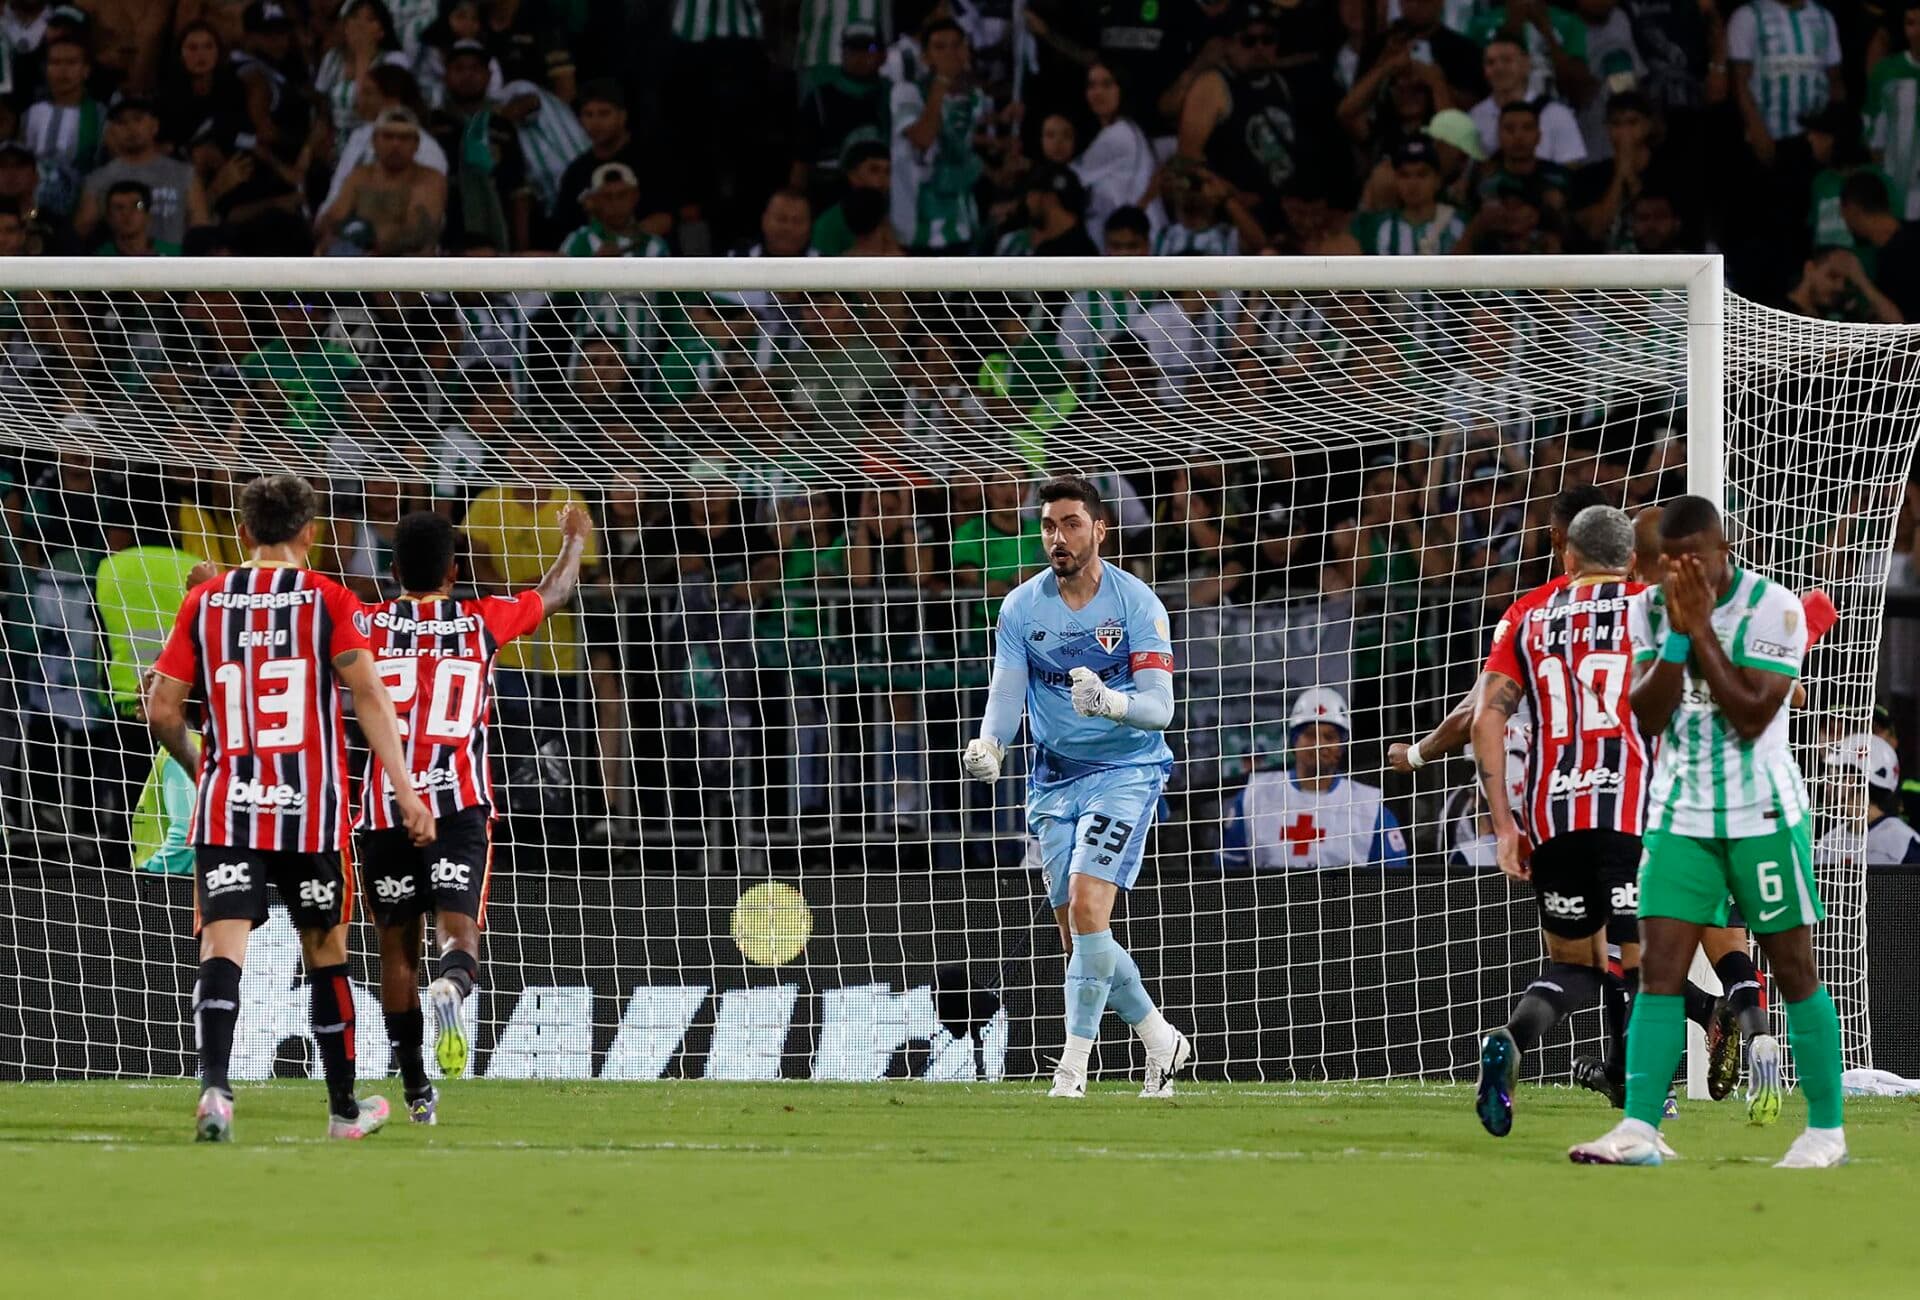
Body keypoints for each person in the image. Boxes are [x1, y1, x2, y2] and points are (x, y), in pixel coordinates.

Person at [143, 474, 435, 1143]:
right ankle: (341, 1110)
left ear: (245, 532)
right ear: (311, 532)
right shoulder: (330, 598)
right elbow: (368, 696)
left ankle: (215, 1089)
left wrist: (204, 766)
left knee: (222, 944)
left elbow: (162, 709)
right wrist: (405, 790)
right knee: (325, 951)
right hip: (308, 806)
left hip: (229, 803)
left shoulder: (207, 600)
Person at [1570, 495, 1848, 1168]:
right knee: (1659, 970)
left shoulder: (1775, 608)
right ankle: (1640, 1128)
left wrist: (1699, 633)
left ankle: (1825, 1132)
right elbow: (1649, 713)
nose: (1661, 576)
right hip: (1680, 817)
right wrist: (1674, 632)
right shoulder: (1648, 607)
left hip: (1763, 818)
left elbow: (1752, 714)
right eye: (1657, 565)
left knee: (1793, 968)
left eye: (1673, 563)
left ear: (1714, 551)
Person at [960, 474, 1191, 1100]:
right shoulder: (1021, 607)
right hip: (1054, 779)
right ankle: (1159, 1038)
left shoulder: (1138, 604)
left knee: (1091, 910)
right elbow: (1007, 690)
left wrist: (1112, 702)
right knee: (1081, 938)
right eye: (1048, 526)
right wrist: (991, 743)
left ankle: (1071, 1070)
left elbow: (1161, 708)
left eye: (1070, 524)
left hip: (1126, 772)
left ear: (1099, 529)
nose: (1056, 538)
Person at [358, 507, 588, 1123]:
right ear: (456, 571)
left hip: (385, 805)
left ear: (394, 569)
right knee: (458, 936)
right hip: (457, 804)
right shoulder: (479, 618)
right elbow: (556, 591)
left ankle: (414, 1090)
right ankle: (453, 987)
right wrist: (573, 540)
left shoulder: (366, 624)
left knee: (395, 952)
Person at [1469, 505, 1654, 1139]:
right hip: (1633, 807)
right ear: (1631, 561)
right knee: (1643, 967)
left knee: (1575, 964)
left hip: (1554, 811)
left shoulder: (1527, 618)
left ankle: (1514, 1039)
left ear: (1568, 558)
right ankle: (1640, 1110)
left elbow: (1484, 719)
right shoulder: (1652, 607)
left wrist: (1504, 827)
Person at [1218, 687, 1410, 870]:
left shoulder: (1369, 807)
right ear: (1294, 741)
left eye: (1329, 736)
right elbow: (1227, 872)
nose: (1319, 744)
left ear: (1342, 745)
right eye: (1309, 735)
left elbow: (1394, 881)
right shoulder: (1254, 797)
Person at [889, 17, 993, 254]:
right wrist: (942, 81)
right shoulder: (906, 93)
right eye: (940, 47)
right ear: (925, 56)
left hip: (962, 225)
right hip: (915, 229)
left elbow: (965, 147)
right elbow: (923, 138)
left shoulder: (975, 98)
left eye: (956, 45)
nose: (950, 53)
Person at [74, 94, 209, 248]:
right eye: (121, 122)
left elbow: (200, 228)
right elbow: (82, 231)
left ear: (154, 125)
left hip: (173, 266)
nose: (131, 128)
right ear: (111, 132)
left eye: (138, 119)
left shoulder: (184, 174)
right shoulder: (98, 180)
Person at [313, 105, 446, 255]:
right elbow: (332, 218)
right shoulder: (360, 176)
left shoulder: (429, 179)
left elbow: (419, 232)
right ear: (374, 141)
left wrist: (370, 242)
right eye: (388, 136)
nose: (395, 144)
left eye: (404, 138)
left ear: (416, 144)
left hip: (406, 265)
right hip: (357, 258)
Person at [1727, 0, 1842, 167]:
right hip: (1767, 137)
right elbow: (1739, 81)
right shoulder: (1748, 16)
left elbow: (1835, 80)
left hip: (1814, 138)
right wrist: (1756, 129)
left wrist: (1830, 132)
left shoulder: (1824, 17)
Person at [1469, 34, 1586, 166]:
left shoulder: (1557, 114)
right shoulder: (1474, 117)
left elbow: (1571, 167)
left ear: (1526, 64)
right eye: (1490, 62)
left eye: (1507, 60)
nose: (1499, 68)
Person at [1073, 62, 1153, 248]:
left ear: (1121, 90)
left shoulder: (1119, 135)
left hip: (1127, 242)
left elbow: (1071, 177)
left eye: (1107, 85)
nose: (1098, 92)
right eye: (1091, 86)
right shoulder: (1119, 130)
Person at [1817, 733, 1920, 866]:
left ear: (1851, 780)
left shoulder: (1904, 843)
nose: (1825, 782)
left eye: (1832, 773)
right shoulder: (1828, 842)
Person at [1352, 137, 1463, 255]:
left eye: (1422, 174)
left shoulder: (1460, 224)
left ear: (1437, 180)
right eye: (1404, 175)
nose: (1412, 183)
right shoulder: (1376, 227)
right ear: (1395, 180)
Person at [1839, 171, 1920, 325]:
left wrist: (1859, 279)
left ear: (1852, 210)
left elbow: (1902, 327)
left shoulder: (1901, 255)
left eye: (1844, 215)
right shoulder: (1885, 254)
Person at [92, 177, 178, 254]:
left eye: (137, 205)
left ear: (148, 214)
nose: (127, 213)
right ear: (108, 217)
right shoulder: (99, 258)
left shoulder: (173, 254)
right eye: (118, 207)